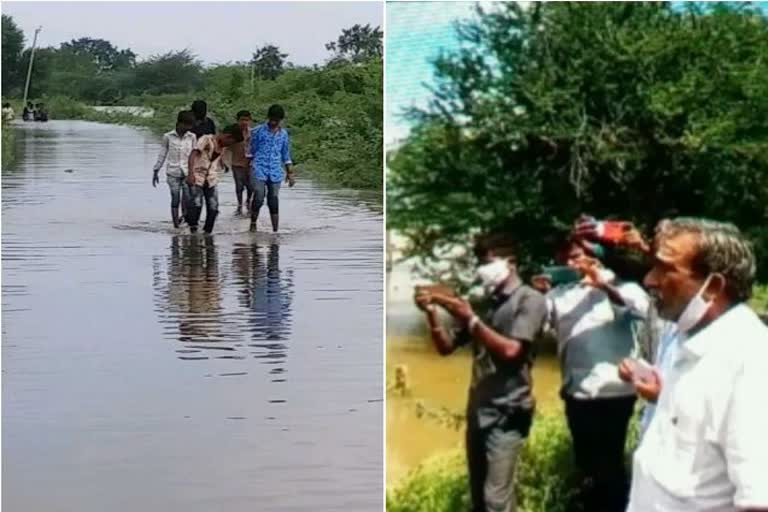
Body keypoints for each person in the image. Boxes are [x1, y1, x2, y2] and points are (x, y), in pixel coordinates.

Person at [626, 218, 768, 512]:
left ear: (712, 286)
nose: (649, 280)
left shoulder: (750, 361)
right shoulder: (686, 336)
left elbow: (758, 499)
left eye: (665, 269)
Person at [414, 233, 548, 512]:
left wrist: (471, 320)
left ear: (510, 263)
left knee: (495, 500)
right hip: (478, 409)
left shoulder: (530, 300)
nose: (482, 268)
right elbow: (446, 347)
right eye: (481, 262)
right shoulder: (487, 303)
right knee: (478, 496)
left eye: (488, 261)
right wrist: (431, 313)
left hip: (508, 411)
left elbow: (512, 351)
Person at [544, 233, 649, 512]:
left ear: (594, 258)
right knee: (586, 464)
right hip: (577, 390)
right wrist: (532, 293)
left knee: (610, 465)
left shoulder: (625, 287)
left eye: (577, 256)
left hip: (615, 390)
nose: (571, 261)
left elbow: (640, 310)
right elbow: (537, 324)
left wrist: (603, 284)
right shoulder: (558, 294)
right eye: (564, 257)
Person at [185, 124, 243, 234]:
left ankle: (207, 233)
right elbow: (192, 155)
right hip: (198, 175)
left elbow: (216, 158)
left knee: (213, 208)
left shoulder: (223, 147)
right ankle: (192, 228)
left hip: (211, 178)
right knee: (196, 204)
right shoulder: (206, 139)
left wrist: (223, 164)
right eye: (230, 142)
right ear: (227, 136)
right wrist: (190, 174)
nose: (229, 145)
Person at [249, 104, 295, 233]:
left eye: (277, 120)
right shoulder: (257, 131)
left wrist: (290, 173)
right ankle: (253, 223)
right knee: (258, 195)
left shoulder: (283, 134)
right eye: (272, 119)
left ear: (281, 120)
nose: (274, 122)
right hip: (258, 168)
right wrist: (247, 168)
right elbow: (250, 151)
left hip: (275, 170)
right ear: (268, 117)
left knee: (273, 198)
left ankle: (275, 231)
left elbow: (285, 154)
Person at [153, 110, 197, 228]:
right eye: (187, 125)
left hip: (187, 172)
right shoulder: (168, 137)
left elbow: (194, 155)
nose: (189, 127)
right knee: (175, 197)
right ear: (180, 123)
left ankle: (185, 219)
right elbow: (163, 153)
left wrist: (194, 173)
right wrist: (156, 170)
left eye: (190, 125)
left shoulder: (192, 137)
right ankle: (176, 226)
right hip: (172, 172)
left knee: (188, 198)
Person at [230, 110, 254, 215]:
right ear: (237, 120)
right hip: (236, 163)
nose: (244, 122)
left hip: (250, 164)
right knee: (239, 186)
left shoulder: (253, 133)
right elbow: (225, 147)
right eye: (242, 120)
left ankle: (248, 201)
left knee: (250, 186)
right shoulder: (233, 133)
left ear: (250, 121)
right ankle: (239, 206)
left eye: (246, 120)